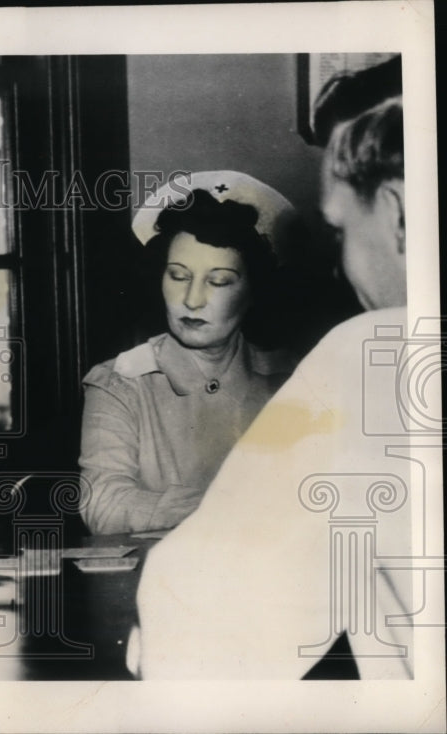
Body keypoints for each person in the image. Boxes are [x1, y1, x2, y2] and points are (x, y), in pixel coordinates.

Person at [132, 97, 418, 678]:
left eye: (340, 231)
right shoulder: (125, 379)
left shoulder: (374, 353)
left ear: (397, 213)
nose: (340, 267)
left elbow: (202, 608)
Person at [78, 174, 295, 535]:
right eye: (178, 276)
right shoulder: (120, 382)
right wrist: (224, 506)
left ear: (254, 290)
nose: (192, 300)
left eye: (219, 281)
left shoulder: (293, 379)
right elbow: (101, 502)